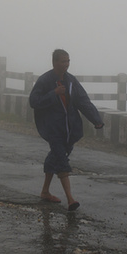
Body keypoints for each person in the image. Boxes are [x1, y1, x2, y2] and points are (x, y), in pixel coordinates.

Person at [29, 49, 104, 211]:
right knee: (61, 160)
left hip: (70, 129)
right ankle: (71, 199)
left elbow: (83, 101)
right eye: (63, 61)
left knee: (55, 158)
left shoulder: (71, 81)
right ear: (54, 62)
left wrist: (96, 120)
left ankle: (45, 191)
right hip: (52, 128)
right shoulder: (45, 80)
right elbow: (34, 101)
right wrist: (53, 93)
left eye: (68, 61)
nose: (66, 64)